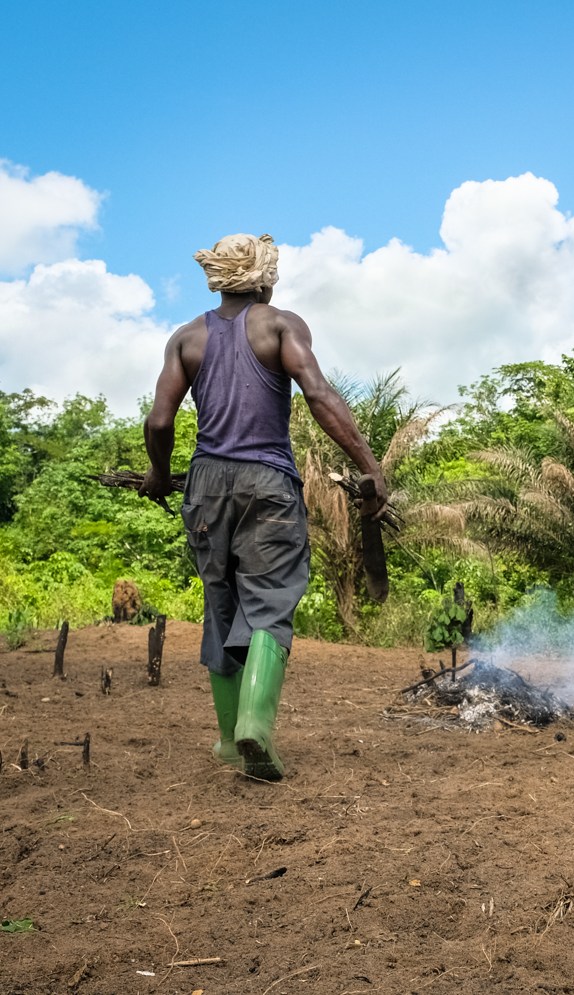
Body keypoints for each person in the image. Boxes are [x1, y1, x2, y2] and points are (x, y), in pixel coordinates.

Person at [139, 233, 387, 779]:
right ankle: (256, 728)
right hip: (267, 483)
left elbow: (159, 421)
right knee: (269, 604)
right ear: (264, 278)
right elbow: (319, 394)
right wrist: (371, 465)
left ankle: (229, 741)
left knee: (220, 603)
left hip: (204, 486)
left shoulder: (185, 338)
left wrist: (159, 473)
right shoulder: (279, 325)